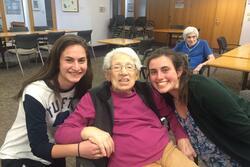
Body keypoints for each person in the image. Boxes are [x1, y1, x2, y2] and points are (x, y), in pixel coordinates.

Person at [55, 47, 198, 167]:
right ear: (107, 74)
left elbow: (170, 114)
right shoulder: (95, 98)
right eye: (117, 67)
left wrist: (181, 137)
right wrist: (88, 131)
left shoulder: (147, 91)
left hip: (167, 150)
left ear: (136, 74)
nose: (124, 72)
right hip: (133, 163)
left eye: (129, 67)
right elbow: (61, 134)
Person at [146, 47, 250, 167]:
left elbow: (243, 129)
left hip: (240, 155)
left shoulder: (202, 88)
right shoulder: (166, 95)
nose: (159, 77)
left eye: (165, 70)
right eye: (153, 72)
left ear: (179, 71)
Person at [0, 34, 93, 167]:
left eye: (82, 60)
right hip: (21, 155)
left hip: (53, 150)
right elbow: (38, 147)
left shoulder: (82, 89)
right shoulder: (36, 92)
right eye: (69, 60)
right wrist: (79, 149)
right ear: (57, 62)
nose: (77, 67)